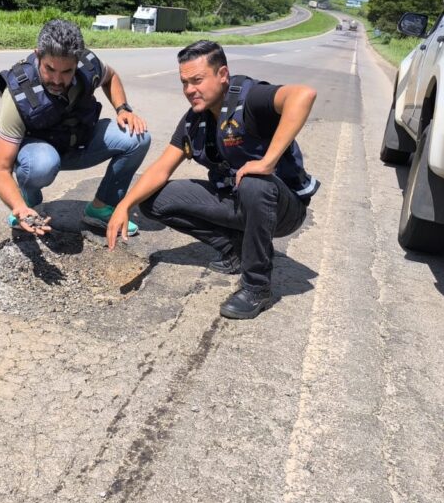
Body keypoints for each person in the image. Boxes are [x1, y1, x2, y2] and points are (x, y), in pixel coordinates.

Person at [106, 40, 318, 319]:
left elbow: (304, 95)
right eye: (184, 83)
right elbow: (161, 169)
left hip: (281, 207)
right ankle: (233, 249)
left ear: (222, 75)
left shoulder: (250, 99)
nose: (190, 90)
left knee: (255, 181)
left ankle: (257, 286)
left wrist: (267, 162)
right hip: (236, 199)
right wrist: (124, 205)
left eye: (197, 80)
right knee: (152, 200)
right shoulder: (194, 120)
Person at [0, 19, 150, 235]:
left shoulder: (88, 64)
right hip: (40, 156)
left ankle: (102, 208)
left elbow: (110, 77)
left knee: (138, 137)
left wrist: (123, 109)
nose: (57, 79)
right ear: (38, 55)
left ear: (78, 61)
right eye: (49, 69)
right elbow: (1, 170)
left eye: (67, 71)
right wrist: (17, 206)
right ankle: (30, 202)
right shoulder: (19, 93)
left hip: (79, 142)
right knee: (42, 164)